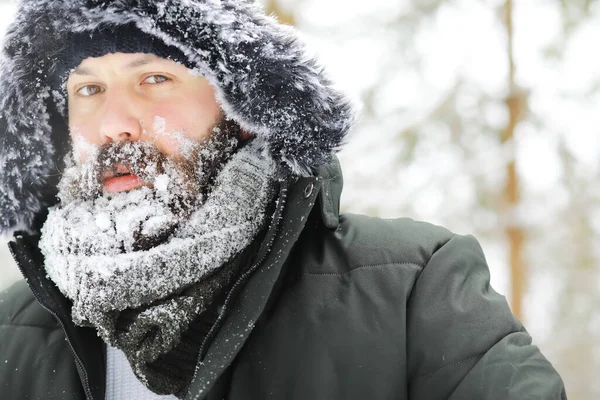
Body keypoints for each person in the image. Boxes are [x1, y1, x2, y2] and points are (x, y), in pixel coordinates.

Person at [0, 1, 566, 399]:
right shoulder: (9, 331)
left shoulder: (413, 288)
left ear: (242, 113)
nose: (114, 124)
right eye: (89, 89)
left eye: (153, 79)